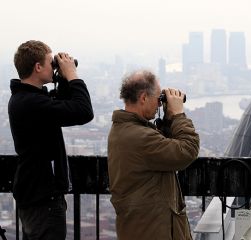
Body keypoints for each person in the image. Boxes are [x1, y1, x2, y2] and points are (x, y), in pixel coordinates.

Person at [8, 40, 94, 240]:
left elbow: (62, 105)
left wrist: (62, 79)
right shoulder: (32, 103)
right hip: (43, 200)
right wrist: (72, 75)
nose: (53, 66)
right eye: (50, 62)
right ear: (38, 67)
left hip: (35, 196)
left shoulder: (25, 99)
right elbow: (83, 112)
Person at [108, 70, 200, 240]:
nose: (159, 104)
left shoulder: (125, 129)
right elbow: (188, 149)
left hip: (143, 226)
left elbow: (160, 149)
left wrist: (168, 119)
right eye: (159, 98)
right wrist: (179, 115)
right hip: (154, 229)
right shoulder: (139, 136)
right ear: (143, 97)